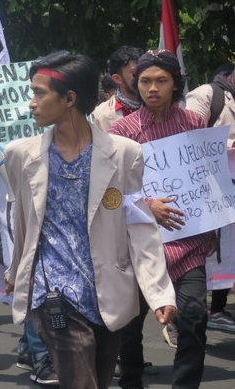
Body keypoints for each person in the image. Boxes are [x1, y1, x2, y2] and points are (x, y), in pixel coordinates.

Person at [4, 50, 176, 389]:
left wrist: (159, 293)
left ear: (69, 98)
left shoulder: (124, 154)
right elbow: (23, 221)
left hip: (107, 291)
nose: (31, 103)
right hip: (52, 291)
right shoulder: (20, 156)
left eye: (40, 93)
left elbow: (139, 224)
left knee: (97, 376)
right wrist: (16, 271)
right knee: (80, 380)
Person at [108, 49, 214, 389]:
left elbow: (207, 179)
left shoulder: (195, 124)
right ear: (135, 84)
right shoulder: (122, 131)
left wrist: (211, 224)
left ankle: (185, 384)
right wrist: (146, 204)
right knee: (130, 325)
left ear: (175, 84)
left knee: (195, 316)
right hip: (139, 244)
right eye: (145, 81)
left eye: (161, 81)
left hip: (189, 240)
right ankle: (132, 381)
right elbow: (110, 193)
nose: (152, 88)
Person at [183, 62, 235, 334]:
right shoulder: (208, 95)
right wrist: (228, 145)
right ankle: (186, 314)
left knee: (227, 251)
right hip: (204, 189)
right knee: (205, 251)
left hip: (230, 189)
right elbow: (190, 136)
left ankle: (217, 309)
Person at [92, 46, 144, 131]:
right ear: (117, 78)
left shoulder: (163, 105)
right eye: (135, 74)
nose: (143, 78)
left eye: (145, 71)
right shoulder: (100, 116)